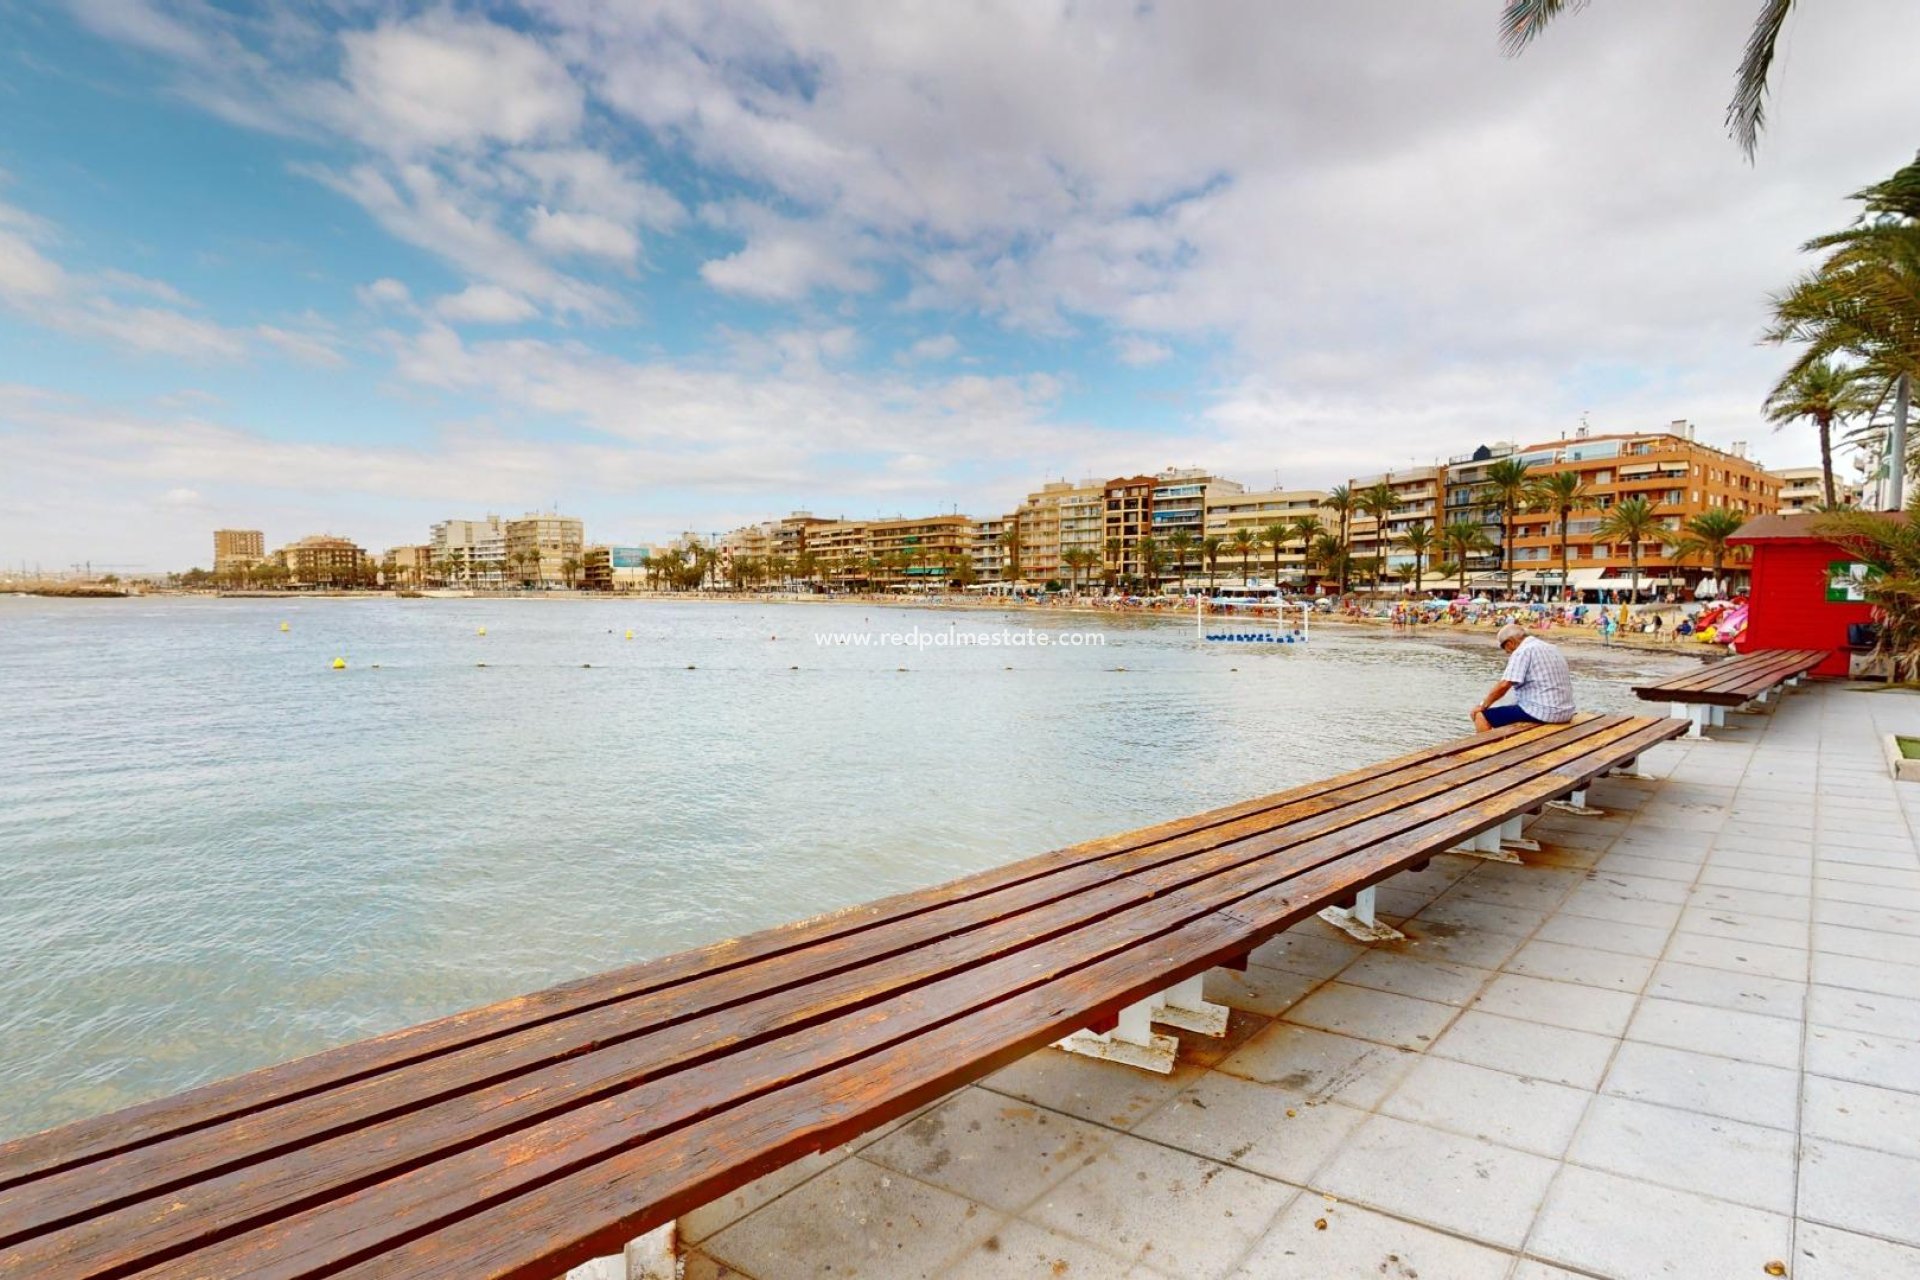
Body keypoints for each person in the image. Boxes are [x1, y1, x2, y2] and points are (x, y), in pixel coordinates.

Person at [1473, 622, 1576, 732]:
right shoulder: (1551, 647)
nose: (1507, 652)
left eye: (1504, 647)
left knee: (1481, 716)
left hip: (1546, 712)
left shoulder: (1522, 651)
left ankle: (1487, 748)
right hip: (1565, 711)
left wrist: (1482, 705)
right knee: (1511, 707)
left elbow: (1504, 685)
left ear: (1510, 642)